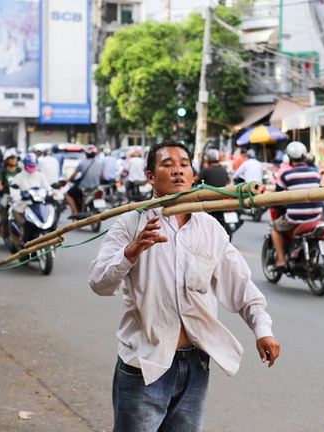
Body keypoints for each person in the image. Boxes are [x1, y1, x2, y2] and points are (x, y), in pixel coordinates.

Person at [88, 140, 280, 431]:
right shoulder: (131, 223)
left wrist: (262, 330)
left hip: (195, 365)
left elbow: (241, 285)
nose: (177, 171)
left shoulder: (211, 229)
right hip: (145, 363)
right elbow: (99, 282)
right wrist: (131, 251)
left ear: (193, 174)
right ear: (150, 176)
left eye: (184, 164)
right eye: (167, 165)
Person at [271, 141, 323, 268]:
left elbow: (276, 192)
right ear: (304, 157)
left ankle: (281, 260)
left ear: (290, 158)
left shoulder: (287, 175)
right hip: (316, 217)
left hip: (295, 218)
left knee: (275, 228)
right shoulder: (316, 173)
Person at [10, 154, 52, 241]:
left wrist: (50, 193)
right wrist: (19, 197)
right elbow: (14, 190)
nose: (32, 167)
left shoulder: (40, 176)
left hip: (39, 205)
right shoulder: (19, 177)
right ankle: (22, 239)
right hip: (23, 205)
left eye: (33, 166)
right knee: (23, 223)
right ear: (25, 165)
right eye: (30, 166)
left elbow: (47, 188)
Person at [65, 145, 102, 218]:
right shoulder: (99, 164)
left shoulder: (82, 163)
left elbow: (73, 175)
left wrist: (69, 180)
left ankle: (75, 212)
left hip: (84, 188)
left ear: (86, 154)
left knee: (68, 194)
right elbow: (101, 176)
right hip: (96, 187)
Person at [0, 149, 21, 237]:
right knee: (6, 206)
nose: (14, 160)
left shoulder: (19, 171)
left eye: (15, 158)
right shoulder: (2, 171)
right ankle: (3, 226)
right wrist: (4, 188)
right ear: (6, 160)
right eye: (11, 158)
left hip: (19, 195)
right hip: (7, 195)